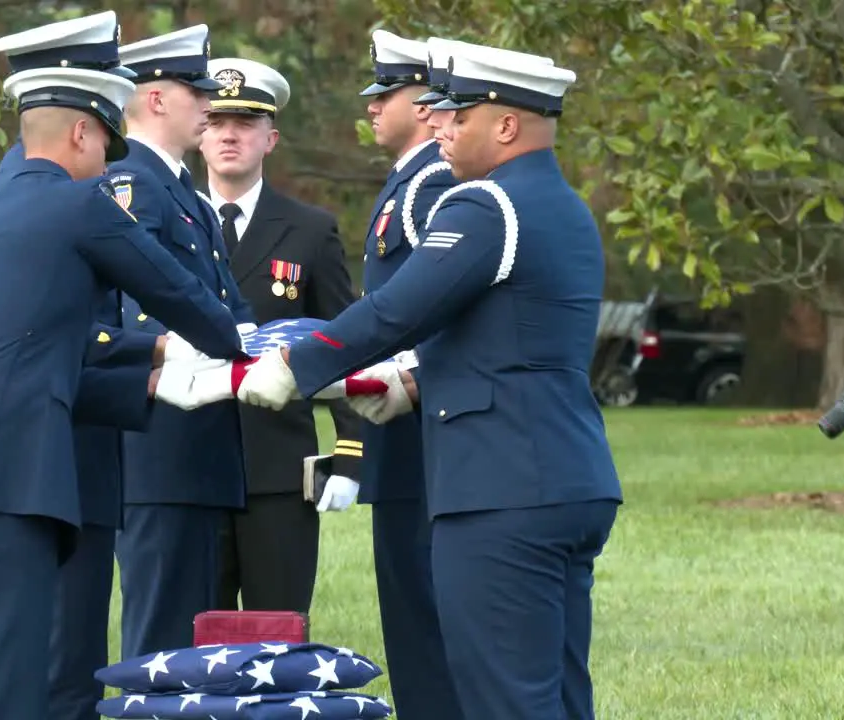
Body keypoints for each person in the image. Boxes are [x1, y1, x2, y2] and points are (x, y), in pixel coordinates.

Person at [235, 40, 624, 720]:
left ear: (505, 125)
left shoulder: (487, 207)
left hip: (499, 485)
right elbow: (511, 337)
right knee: (557, 695)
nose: (440, 126)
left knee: (502, 697)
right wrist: (415, 385)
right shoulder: (561, 206)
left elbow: (393, 311)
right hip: (562, 474)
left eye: (459, 115)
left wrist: (295, 367)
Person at [0, 12, 247, 719]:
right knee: (8, 693)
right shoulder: (80, 207)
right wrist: (251, 351)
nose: (111, 160)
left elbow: (43, 358)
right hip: (6, 480)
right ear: (83, 132)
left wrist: (147, 381)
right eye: (108, 141)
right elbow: (186, 300)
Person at [109, 26, 258, 659]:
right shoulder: (133, 185)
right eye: (194, 90)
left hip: (198, 450)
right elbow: (133, 306)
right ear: (156, 99)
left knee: (192, 645)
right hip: (161, 447)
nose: (207, 104)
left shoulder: (181, 193)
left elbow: (229, 306)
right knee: (160, 645)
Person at [199, 57, 363, 614]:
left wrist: (350, 451)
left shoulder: (311, 231)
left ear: (271, 137)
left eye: (245, 123)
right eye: (216, 121)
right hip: (185, 465)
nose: (228, 134)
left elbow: (345, 341)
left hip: (277, 467)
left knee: (278, 633)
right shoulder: (165, 224)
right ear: (198, 132)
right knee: (191, 644)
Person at [341, 29, 464, 719]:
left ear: (424, 104)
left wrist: (405, 378)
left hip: (423, 431)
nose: (372, 107)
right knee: (409, 612)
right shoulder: (410, 182)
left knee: (423, 611)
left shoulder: (434, 183)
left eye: (385, 94)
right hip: (400, 431)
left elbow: (443, 305)